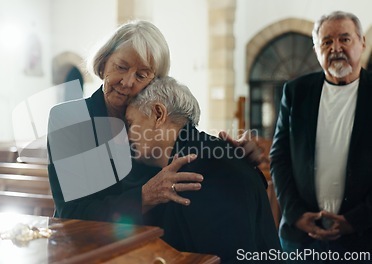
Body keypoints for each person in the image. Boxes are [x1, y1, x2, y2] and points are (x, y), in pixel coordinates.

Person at [47, 20, 262, 225]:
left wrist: (234, 154)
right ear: (103, 65)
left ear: (154, 82)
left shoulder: (156, 121)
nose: (128, 82)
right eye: (121, 67)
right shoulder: (69, 119)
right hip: (84, 245)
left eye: (141, 75)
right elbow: (71, 212)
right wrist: (144, 197)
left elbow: (188, 147)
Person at [125, 76, 281, 263]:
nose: (127, 136)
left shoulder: (205, 169)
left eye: (130, 124)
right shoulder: (204, 153)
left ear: (159, 114)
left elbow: (225, 258)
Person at [270, 10, 372, 260]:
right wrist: (295, 214)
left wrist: (356, 219)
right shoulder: (296, 92)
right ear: (316, 49)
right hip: (301, 238)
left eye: (345, 39)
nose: (336, 48)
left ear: (362, 43)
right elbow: (279, 157)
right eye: (326, 41)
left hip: (363, 237)